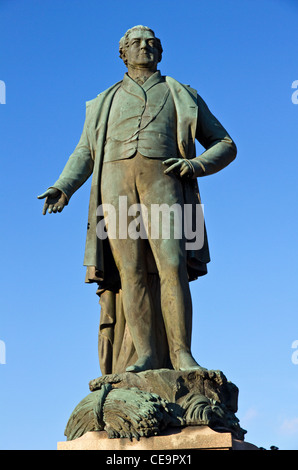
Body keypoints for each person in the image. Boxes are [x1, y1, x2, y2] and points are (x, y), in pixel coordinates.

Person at [38, 25, 237, 374]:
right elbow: (85, 151)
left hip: (165, 180)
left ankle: (181, 355)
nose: (145, 47)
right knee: (129, 272)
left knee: (172, 264)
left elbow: (225, 144)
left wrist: (196, 165)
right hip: (114, 184)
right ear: (123, 53)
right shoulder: (102, 102)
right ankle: (144, 355)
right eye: (136, 43)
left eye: (152, 43)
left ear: (160, 52)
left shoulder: (182, 94)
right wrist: (63, 186)